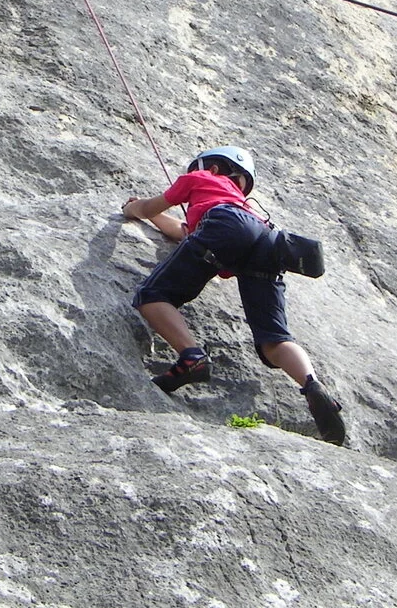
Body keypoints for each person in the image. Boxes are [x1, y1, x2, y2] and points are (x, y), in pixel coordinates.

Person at [122, 146, 346, 445]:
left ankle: (191, 356)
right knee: (274, 340)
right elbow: (184, 231)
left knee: (152, 296)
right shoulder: (245, 206)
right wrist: (157, 219)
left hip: (226, 226)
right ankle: (311, 384)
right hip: (267, 241)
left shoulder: (200, 178)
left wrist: (133, 209)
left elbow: (150, 208)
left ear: (212, 168)